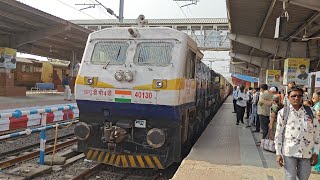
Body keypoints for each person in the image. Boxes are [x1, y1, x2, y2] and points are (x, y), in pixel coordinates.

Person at [274, 86, 319, 180]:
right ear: (288, 97)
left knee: (304, 178)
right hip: (289, 152)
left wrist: (316, 152)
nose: (296, 98)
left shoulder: (311, 112)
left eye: (299, 96)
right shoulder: (283, 113)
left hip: (306, 153)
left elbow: (316, 133)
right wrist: (278, 153)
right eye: (293, 96)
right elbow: (278, 135)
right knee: (290, 177)